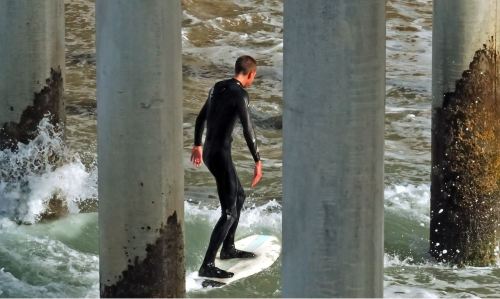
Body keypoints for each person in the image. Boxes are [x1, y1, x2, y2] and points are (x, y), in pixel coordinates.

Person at [190, 55, 263, 278]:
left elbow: (201, 117)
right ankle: (208, 265)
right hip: (220, 154)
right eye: (254, 76)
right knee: (229, 212)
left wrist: (197, 144)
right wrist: (257, 160)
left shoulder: (217, 87)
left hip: (211, 153)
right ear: (250, 74)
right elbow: (248, 130)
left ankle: (228, 248)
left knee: (238, 196)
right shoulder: (240, 94)